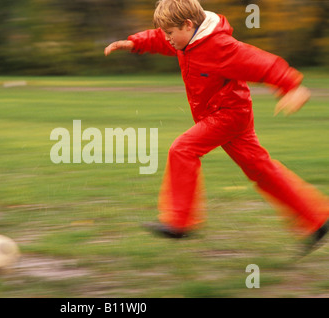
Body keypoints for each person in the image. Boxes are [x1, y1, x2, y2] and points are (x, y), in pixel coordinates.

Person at [104, 0, 328, 254]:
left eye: (170, 33)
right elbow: (160, 40)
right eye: (165, 33)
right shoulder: (186, 41)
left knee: (183, 149)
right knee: (261, 170)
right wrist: (136, 42)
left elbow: (261, 62)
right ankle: (318, 220)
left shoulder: (219, 46)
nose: (167, 39)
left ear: (188, 25)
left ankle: (181, 222)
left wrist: (292, 86)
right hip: (228, 116)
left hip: (227, 116)